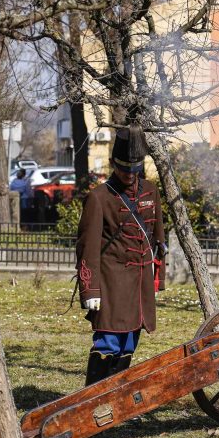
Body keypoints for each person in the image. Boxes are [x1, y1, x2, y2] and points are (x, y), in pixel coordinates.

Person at [76, 125, 166, 385]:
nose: (129, 174)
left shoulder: (151, 191)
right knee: (108, 341)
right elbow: (88, 248)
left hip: (140, 285)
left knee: (129, 342)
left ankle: (116, 403)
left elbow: (157, 239)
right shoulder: (99, 197)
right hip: (111, 283)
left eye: (134, 168)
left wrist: (158, 278)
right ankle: (92, 400)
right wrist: (90, 290)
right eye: (124, 168)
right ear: (114, 163)